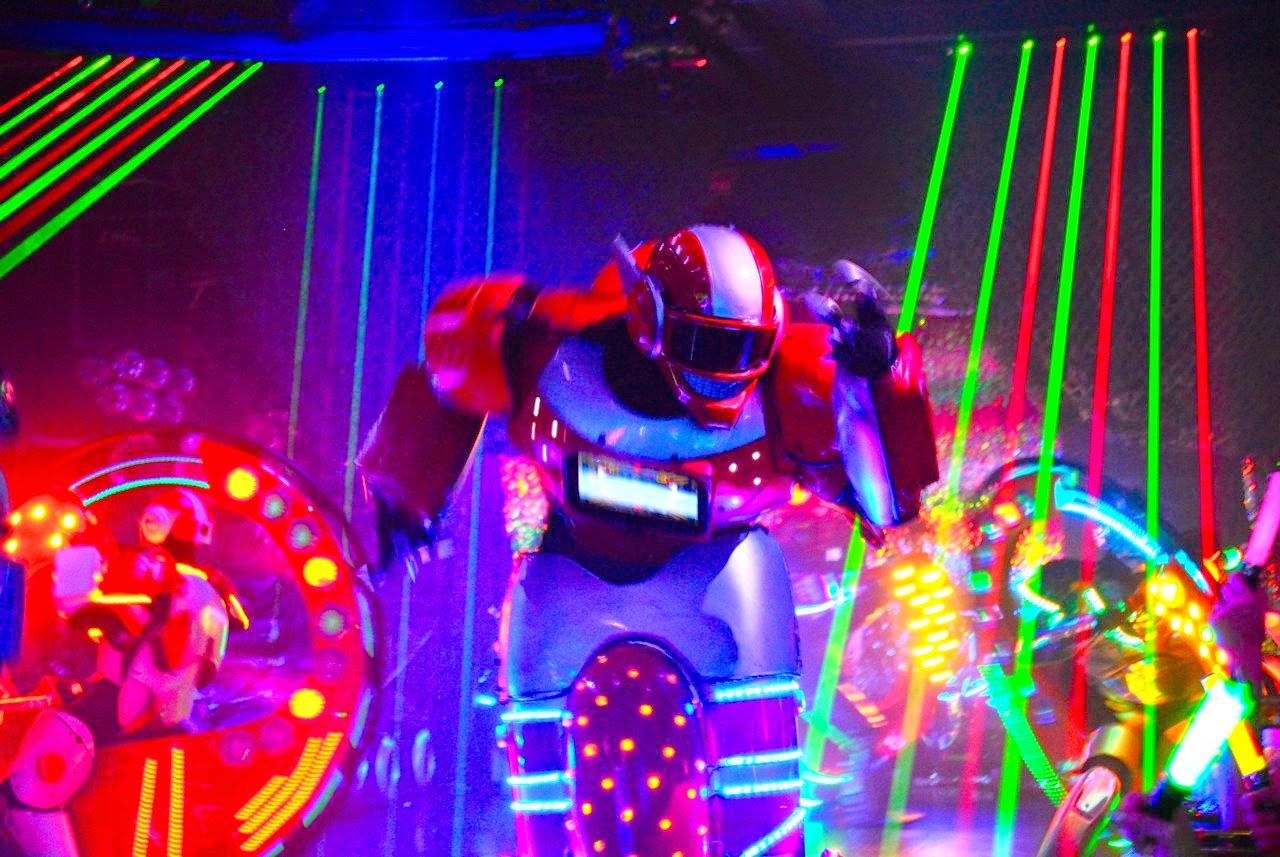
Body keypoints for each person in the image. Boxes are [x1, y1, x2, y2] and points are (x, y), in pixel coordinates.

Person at [360, 225, 939, 855]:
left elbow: (888, 505)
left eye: (747, 347)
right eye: (707, 343)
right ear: (649, 317)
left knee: (756, 762)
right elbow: (449, 384)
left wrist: (878, 386)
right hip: (572, 576)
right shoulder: (538, 345)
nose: (727, 369)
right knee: (542, 760)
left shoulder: (791, 386)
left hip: (717, 580)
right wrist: (406, 488)